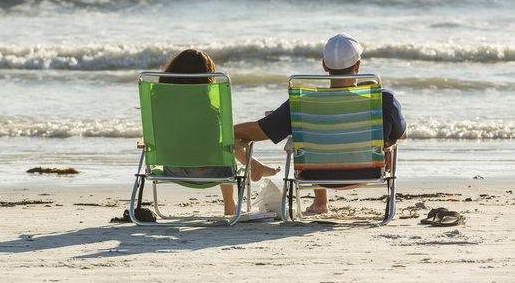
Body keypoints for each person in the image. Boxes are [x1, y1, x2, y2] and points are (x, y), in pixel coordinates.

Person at [234, 34, 407, 214]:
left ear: (324, 66)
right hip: (370, 173)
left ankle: (320, 202)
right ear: (358, 65)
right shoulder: (384, 100)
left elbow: (256, 131)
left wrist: (230, 130)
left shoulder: (301, 105)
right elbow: (402, 134)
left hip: (316, 175)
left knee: (313, 128)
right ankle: (320, 202)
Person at [158, 49, 279, 215]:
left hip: (171, 169)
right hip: (210, 172)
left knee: (226, 139)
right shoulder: (208, 112)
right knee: (227, 142)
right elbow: (210, 154)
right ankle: (231, 204)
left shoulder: (160, 105)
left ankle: (255, 166)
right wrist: (238, 141)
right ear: (208, 78)